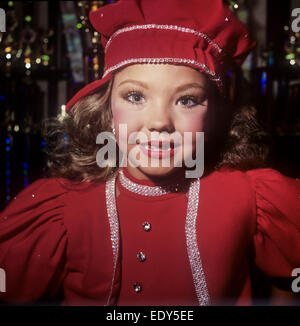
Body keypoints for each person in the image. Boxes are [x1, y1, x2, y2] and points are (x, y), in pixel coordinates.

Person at [0, 0, 300, 306]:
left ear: (214, 116)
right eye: (135, 96)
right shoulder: (63, 205)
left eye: (186, 100)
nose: (159, 122)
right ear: (106, 110)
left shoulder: (251, 196)